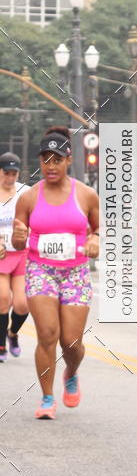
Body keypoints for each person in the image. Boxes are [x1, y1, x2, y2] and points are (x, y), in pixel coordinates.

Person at [12, 126, 100, 419]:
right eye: (45, 159)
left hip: (74, 272)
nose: (51, 166)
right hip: (40, 270)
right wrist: (19, 238)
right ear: (39, 162)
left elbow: (99, 231)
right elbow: (17, 238)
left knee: (71, 342)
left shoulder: (86, 195)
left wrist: (94, 240)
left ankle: (71, 373)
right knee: (47, 334)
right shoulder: (28, 198)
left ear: (68, 160)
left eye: (57, 159)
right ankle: (47, 398)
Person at [0, 152, 29, 361]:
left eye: (14, 173)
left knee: (22, 304)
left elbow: (38, 219)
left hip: (22, 253)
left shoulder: (25, 193)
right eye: (6, 173)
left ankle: (13, 334)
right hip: (1, 255)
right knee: (3, 299)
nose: (10, 178)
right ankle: (1, 345)